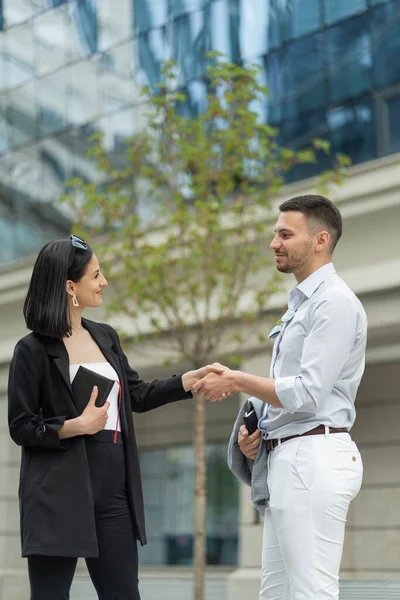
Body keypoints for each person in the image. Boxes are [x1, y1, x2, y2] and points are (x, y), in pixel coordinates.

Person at [8, 234, 223, 600]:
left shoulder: (105, 336)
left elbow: (136, 395)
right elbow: (20, 426)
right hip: (58, 490)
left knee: (123, 593)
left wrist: (187, 381)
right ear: (70, 287)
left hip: (114, 488)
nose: (104, 281)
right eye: (96, 275)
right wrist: (75, 426)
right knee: (50, 594)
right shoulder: (31, 350)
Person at [193, 195, 367, 600]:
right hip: (287, 459)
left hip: (314, 459)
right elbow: (291, 393)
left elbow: (307, 392)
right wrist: (258, 429)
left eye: (286, 234)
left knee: (311, 593)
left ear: (320, 240)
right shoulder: (301, 305)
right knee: (275, 593)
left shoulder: (334, 303)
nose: (274, 242)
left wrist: (236, 381)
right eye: (275, 233)